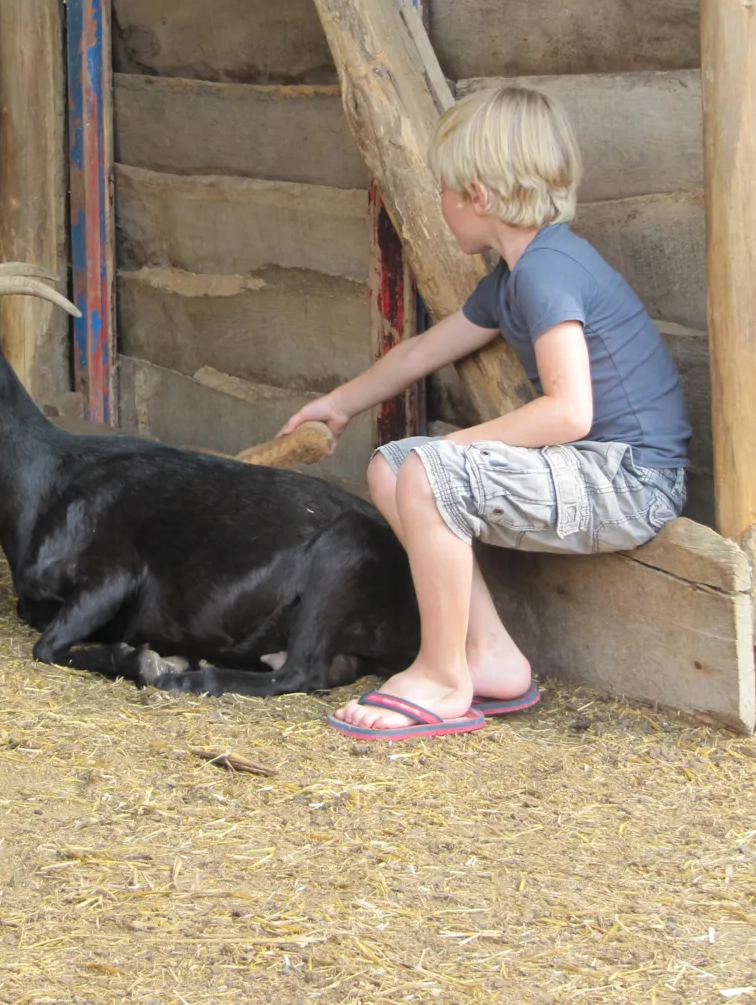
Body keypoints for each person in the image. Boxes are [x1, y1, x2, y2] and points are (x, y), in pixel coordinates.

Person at [278, 85, 690, 742]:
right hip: (596, 469)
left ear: (477, 195)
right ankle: (491, 654)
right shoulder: (513, 277)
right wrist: (340, 402)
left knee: (428, 470)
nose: (440, 204)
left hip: (630, 478)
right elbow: (423, 349)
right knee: (391, 468)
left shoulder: (548, 272)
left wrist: (450, 453)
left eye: (444, 189)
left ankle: (442, 677)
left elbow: (570, 411)